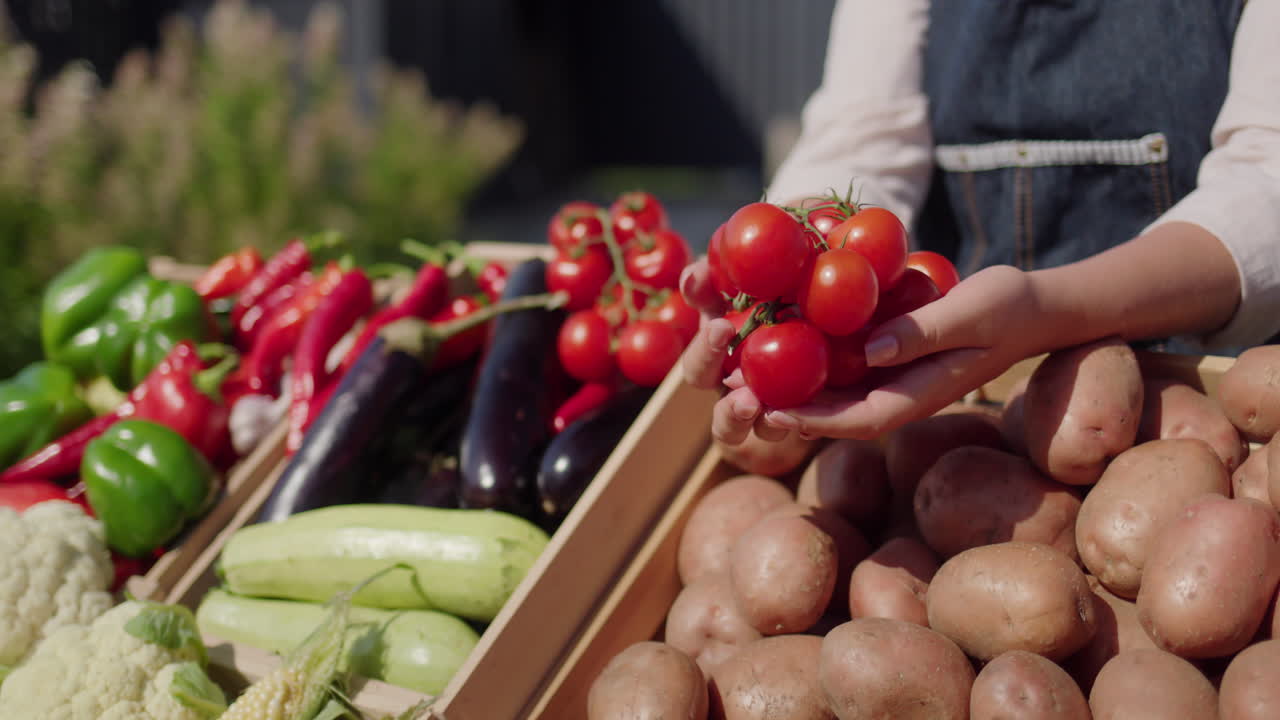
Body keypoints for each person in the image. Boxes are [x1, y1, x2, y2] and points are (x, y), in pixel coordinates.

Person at [680, 0, 1280, 447]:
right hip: (954, 401)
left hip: (1206, 391)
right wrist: (781, 259)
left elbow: (1267, 186)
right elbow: (864, 136)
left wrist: (1052, 307)